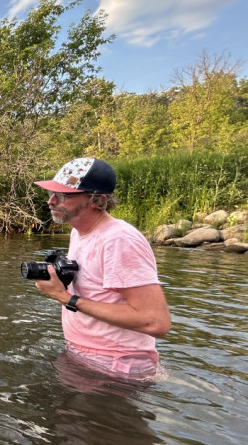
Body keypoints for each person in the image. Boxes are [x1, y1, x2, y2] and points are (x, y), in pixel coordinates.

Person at [32, 157, 171, 379]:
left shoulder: (119, 240)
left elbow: (155, 321)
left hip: (115, 367)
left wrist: (65, 298)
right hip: (84, 357)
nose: (51, 201)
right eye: (51, 193)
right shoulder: (78, 231)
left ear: (97, 200)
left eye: (63, 195)